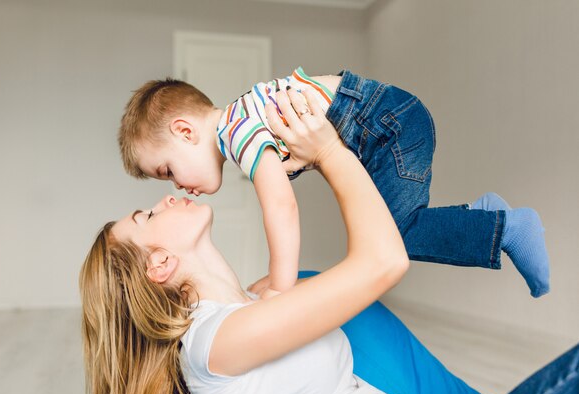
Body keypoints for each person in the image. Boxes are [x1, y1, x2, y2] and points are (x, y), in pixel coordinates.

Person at [80, 88, 578, 394]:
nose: (166, 196)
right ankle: (496, 226)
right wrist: (330, 151)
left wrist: (315, 153)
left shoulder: (256, 303)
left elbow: (368, 244)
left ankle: (490, 224)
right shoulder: (216, 342)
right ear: (160, 264)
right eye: (147, 217)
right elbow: (384, 261)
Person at [117, 67, 550, 299]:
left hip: (388, 126)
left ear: (185, 132)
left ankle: (507, 228)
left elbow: (281, 208)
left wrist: (281, 286)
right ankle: (485, 218)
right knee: (389, 233)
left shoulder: (237, 131)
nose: (177, 188)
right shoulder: (241, 121)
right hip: (386, 121)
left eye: (168, 171)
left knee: (391, 238)